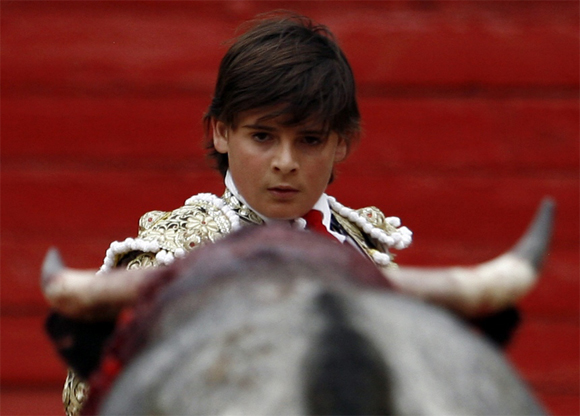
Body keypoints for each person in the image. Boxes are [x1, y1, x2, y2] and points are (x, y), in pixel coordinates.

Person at [61, 12, 412, 416]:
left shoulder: (366, 249)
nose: (285, 161)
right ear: (221, 132)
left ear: (342, 144)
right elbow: (91, 402)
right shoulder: (171, 257)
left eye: (309, 140)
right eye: (262, 136)